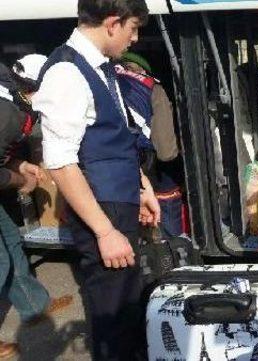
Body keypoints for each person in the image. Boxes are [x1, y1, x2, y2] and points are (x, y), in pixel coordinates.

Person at [32, 1, 160, 360]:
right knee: (113, 323)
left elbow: (113, 137)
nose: (135, 38)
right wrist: (105, 232)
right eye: (133, 28)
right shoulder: (67, 73)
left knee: (127, 311)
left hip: (115, 203)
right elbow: (60, 163)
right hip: (102, 213)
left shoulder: (99, 67)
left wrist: (141, 185)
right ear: (111, 23)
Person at [0, 56, 73, 360]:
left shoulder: (15, 106)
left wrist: (23, 165)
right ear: (36, 87)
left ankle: (33, 305)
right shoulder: (8, 114)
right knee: (0, 262)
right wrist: (19, 181)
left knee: (12, 243)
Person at [116, 52, 185, 237]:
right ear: (144, 70)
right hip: (138, 162)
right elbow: (166, 151)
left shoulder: (102, 81)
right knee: (167, 181)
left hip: (105, 164)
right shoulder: (151, 87)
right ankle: (172, 243)